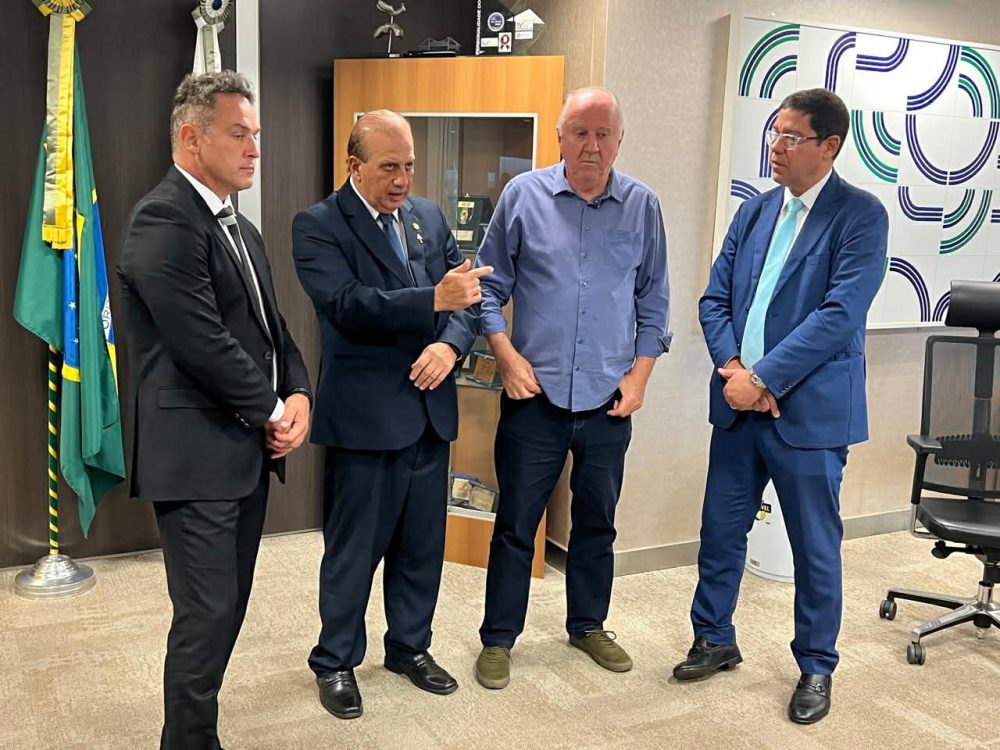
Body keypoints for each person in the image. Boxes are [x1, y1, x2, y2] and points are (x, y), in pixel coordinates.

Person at [674, 88, 889, 725]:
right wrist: (734, 369)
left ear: (830, 145)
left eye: (792, 137)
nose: (777, 146)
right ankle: (714, 637)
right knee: (720, 530)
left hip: (809, 415)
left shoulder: (860, 216)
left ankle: (816, 664)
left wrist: (764, 377)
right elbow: (714, 299)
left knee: (813, 545)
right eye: (775, 133)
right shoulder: (755, 211)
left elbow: (839, 316)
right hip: (738, 406)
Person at [117, 71, 312, 750]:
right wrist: (274, 410)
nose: (255, 148)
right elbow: (201, 341)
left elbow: (272, 331)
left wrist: (298, 393)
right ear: (192, 137)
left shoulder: (241, 228)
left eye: (256, 134)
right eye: (239, 134)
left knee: (226, 609)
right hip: (193, 455)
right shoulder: (163, 218)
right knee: (205, 615)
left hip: (243, 452)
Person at [473, 86, 670, 689]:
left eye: (603, 133)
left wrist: (640, 377)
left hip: (610, 399)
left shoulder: (643, 206)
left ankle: (587, 625)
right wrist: (505, 356)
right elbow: (486, 287)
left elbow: (654, 302)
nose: (591, 145)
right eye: (580, 132)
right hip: (534, 395)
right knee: (516, 524)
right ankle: (498, 638)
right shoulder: (522, 196)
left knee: (597, 523)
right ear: (559, 137)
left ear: (619, 140)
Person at [292, 110, 484, 720]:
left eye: (409, 166)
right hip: (366, 419)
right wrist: (432, 300)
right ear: (355, 165)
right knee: (354, 552)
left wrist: (449, 345)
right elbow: (348, 305)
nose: (402, 180)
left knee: (422, 547)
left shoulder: (428, 216)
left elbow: (467, 298)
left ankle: (409, 647)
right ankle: (335, 660)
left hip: (431, 412)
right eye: (388, 167)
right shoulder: (318, 225)